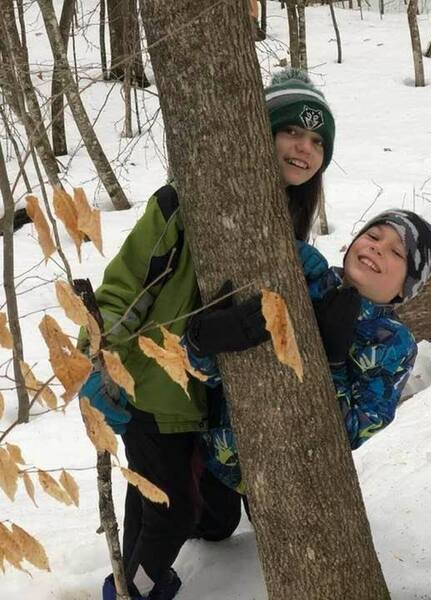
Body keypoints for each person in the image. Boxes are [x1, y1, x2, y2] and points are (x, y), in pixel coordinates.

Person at [78, 69, 336, 600]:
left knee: (214, 522)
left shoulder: (285, 224)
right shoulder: (183, 203)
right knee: (173, 513)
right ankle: (134, 588)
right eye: (291, 131)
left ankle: (152, 523)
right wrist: (99, 361)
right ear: (257, 132)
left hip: (210, 400)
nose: (303, 148)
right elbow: (125, 285)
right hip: (152, 389)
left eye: (317, 141)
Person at [189, 209, 431, 494]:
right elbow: (212, 369)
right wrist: (203, 341)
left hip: (272, 479)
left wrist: (333, 363)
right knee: (207, 525)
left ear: (405, 289)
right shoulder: (307, 282)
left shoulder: (394, 345)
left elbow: (351, 434)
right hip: (208, 448)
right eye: (373, 235)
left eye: (397, 252)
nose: (377, 247)